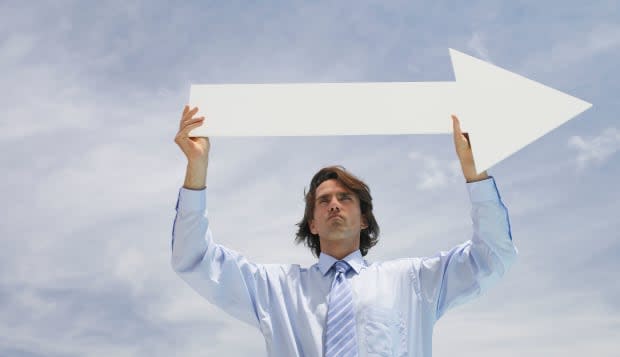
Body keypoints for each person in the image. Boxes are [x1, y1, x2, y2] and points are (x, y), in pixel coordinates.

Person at [171, 105, 517, 357]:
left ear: (364, 218)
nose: (334, 204)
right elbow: (195, 258)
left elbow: (492, 256)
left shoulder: (412, 282)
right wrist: (196, 169)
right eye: (323, 201)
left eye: (345, 198)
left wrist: (475, 175)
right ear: (312, 222)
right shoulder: (276, 290)